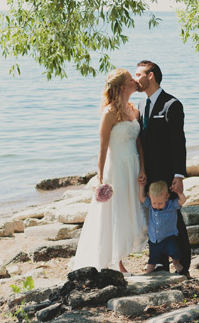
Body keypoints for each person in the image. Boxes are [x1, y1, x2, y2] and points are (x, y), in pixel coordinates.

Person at [69, 69, 147, 273]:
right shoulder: (109, 113)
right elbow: (103, 147)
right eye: (132, 79)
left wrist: (143, 169)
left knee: (129, 210)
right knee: (114, 212)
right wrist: (100, 178)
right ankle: (115, 262)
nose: (135, 81)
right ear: (123, 86)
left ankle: (121, 257)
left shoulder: (134, 110)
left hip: (134, 165)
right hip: (117, 168)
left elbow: (139, 143)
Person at [134, 60, 191, 275]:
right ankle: (160, 264)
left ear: (151, 76)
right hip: (147, 174)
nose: (135, 79)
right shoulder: (141, 105)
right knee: (154, 218)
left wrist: (178, 175)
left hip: (167, 174)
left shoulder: (171, 104)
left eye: (138, 74)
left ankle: (183, 266)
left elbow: (178, 142)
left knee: (173, 218)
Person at [139, 180, 186, 274]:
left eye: (160, 203)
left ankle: (176, 263)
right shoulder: (150, 205)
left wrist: (180, 193)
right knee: (153, 258)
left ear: (167, 197)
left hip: (168, 237)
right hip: (154, 240)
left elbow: (182, 201)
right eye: (154, 203)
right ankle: (147, 274)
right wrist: (141, 186)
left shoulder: (172, 205)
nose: (157, 206)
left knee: (175, 252)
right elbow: (141, 197)